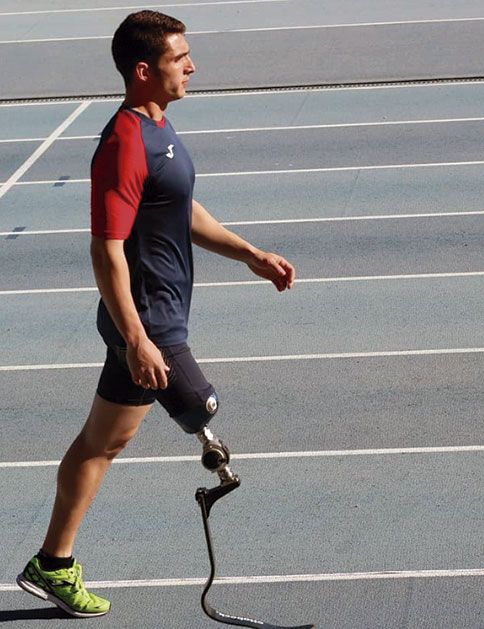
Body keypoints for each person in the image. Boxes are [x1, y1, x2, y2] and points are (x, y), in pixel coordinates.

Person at [16, 10, 295, 618]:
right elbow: (106, 249)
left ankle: (52, 564)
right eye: (179, 58)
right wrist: (137, 338)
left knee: (103, 441)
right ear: (144, 70)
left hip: (155, 315)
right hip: (146, 320)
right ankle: (57, 560)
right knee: (200, 406)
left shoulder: (160, 127)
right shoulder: (123, 143)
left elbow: (179, 208)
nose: (192, 67)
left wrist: (248, 252)